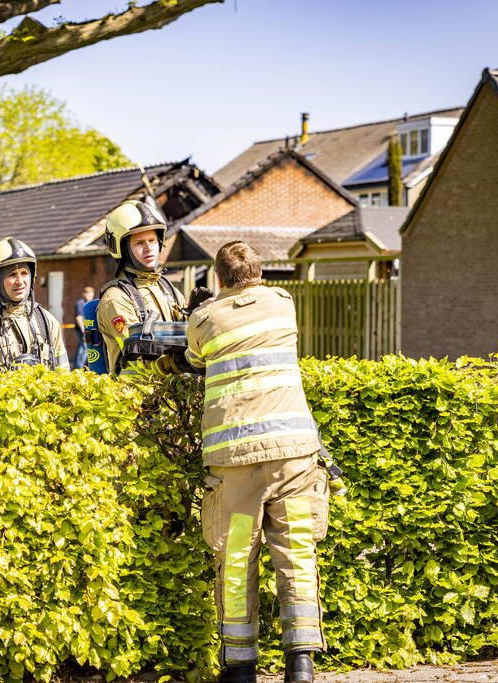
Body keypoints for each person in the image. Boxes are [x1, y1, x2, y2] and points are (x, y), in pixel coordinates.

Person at [184, 241, 330, 683]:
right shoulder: (283, 305)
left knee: (237, 557)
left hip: (239, 464)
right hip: (295, 458)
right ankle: (301, 663)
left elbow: (192, 358)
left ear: (220, 278)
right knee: (296, 554)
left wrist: (200, 308)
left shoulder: (205, 319)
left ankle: (241, 667)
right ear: (261, 272)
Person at [96, 199, 186, 375]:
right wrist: (176, 363)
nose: (149, 248)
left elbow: (186, 336)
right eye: (139, 243)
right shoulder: (116, 298)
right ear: (121, 248)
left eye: (152, 240)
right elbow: (136, 357)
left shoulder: (167, 288)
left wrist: (199, 314)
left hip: (172, 393)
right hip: (136, 397)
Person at [0, 237, 69, 372]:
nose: (20, 281)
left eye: (24, 273)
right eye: (12, 275)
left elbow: (63, 376)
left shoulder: (47, 322)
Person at [72, 286, 95, 369]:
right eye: (88, 294)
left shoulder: (89, 303)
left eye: (91, 294)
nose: (90, 296)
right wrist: (83, 329)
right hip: (82, 330)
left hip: (86, 330)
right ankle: (79, 368)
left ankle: (77, 367)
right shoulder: (81, 303)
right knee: (84, 349)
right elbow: (78, 317)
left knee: (81, 348)